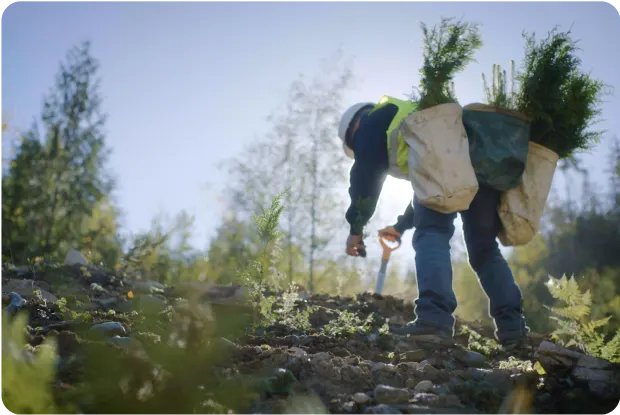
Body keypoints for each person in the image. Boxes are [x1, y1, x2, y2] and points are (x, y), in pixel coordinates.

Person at [339, 95, 529, 349]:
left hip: (445, 168)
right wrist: (400, 227)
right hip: (479, 169)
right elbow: (426, 189)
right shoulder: (404, 113)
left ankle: (434, 320)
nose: (358, 148)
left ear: (354, 127)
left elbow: (365, 175)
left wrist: (356, 228)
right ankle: (513, 329)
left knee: (431, 232)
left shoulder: (372, 122)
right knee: (484, 249)